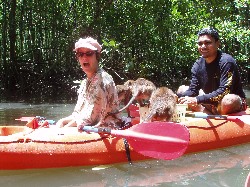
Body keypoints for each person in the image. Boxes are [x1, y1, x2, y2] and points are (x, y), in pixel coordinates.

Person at [56, 37, 122, 130]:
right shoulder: (85, 82)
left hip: (106, 128)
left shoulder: (101, 80)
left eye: (89, 53)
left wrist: (64, 129)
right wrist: (62, 121)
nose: (84, 57)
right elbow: (78, 114)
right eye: (80, 54)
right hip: (90, 127)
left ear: (97, 56)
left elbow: (91, 118)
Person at [177, 28, 247, 115]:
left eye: (207, 43)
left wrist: (197, 100)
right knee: (182, 89)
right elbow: (193, 90)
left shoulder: (227, 61)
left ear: (217, 44)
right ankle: (211, 114)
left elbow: (224, 91)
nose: (203, 46)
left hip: (229, 103)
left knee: (229, 100)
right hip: (211, 103)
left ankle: (216, 115)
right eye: (200, 43)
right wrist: (175, 97)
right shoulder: (198, 64)